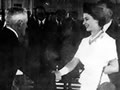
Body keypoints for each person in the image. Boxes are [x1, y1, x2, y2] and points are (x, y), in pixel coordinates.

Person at [54, 3, 119, 90]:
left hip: (100, 85)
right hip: (85, 84)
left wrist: (98, 69)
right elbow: (73, 62)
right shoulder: (84, 41)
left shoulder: (108, 41)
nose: (83, 22)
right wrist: (60, 73)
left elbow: (115, 67)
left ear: (97, 20)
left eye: (87, 19)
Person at [0, 7, 28, 90]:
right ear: (20, 23)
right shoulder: (13, 43)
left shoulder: (3, 35)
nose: (27, 26)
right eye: (26, 23)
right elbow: (26, 66)